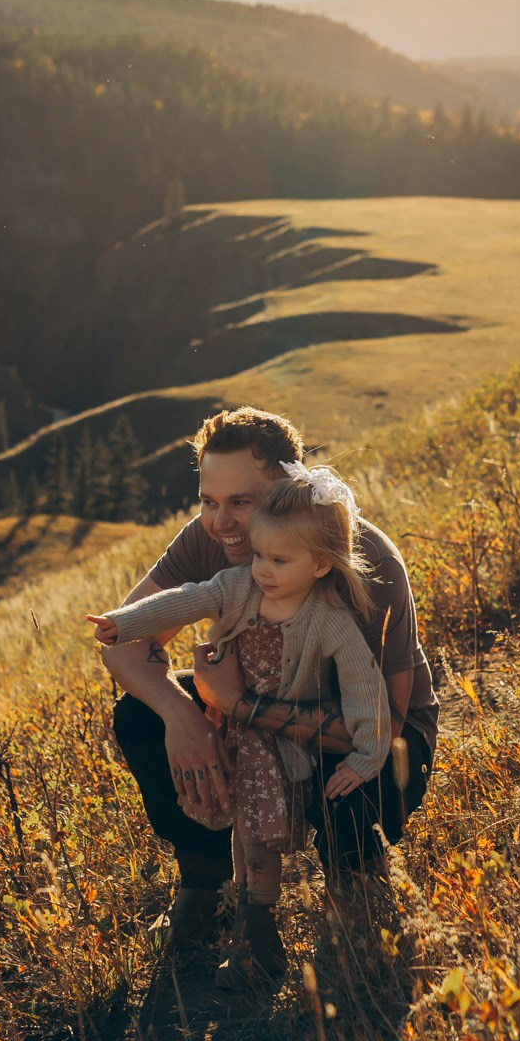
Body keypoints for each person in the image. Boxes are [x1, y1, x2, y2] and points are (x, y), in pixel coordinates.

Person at [99, 407, 438, 955]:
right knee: (140, 716)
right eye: (208, 500)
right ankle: (204, 880)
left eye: (241, 502)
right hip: (260, 721)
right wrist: (185, 716)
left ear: (288, 490)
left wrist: (237, 704)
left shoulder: (365, 558)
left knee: (356, 792)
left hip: (372, 739)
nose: (220, 522)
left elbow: (387, 723)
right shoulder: (210, 540)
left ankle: (355, 874)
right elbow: (123, 645)